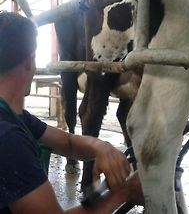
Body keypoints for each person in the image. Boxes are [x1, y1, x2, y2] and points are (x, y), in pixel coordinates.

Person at [0, 12, 143, 214]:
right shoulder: (8, 137)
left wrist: (101, 147)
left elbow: (67, 142)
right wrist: (123, 193)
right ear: (29, 62)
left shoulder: (15, 117)